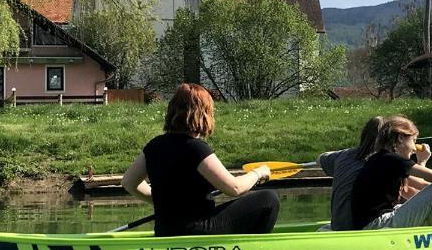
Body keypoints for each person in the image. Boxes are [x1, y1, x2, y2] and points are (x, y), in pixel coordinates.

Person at [122, 83, 279, 236]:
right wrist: (258, 173)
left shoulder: (154, 146)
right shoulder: (196, 148)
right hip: (198, 230)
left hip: (164, 231)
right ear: (203, 114)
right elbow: (234, 188)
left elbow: (128, 182)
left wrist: (161, 202)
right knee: (269, 199)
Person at [317, 116, 383, 230]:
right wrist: (421, 162)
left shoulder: (343, 155)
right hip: (358, 227)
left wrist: (338, 153)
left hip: (338, 225)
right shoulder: (384, 162)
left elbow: (319, 158)